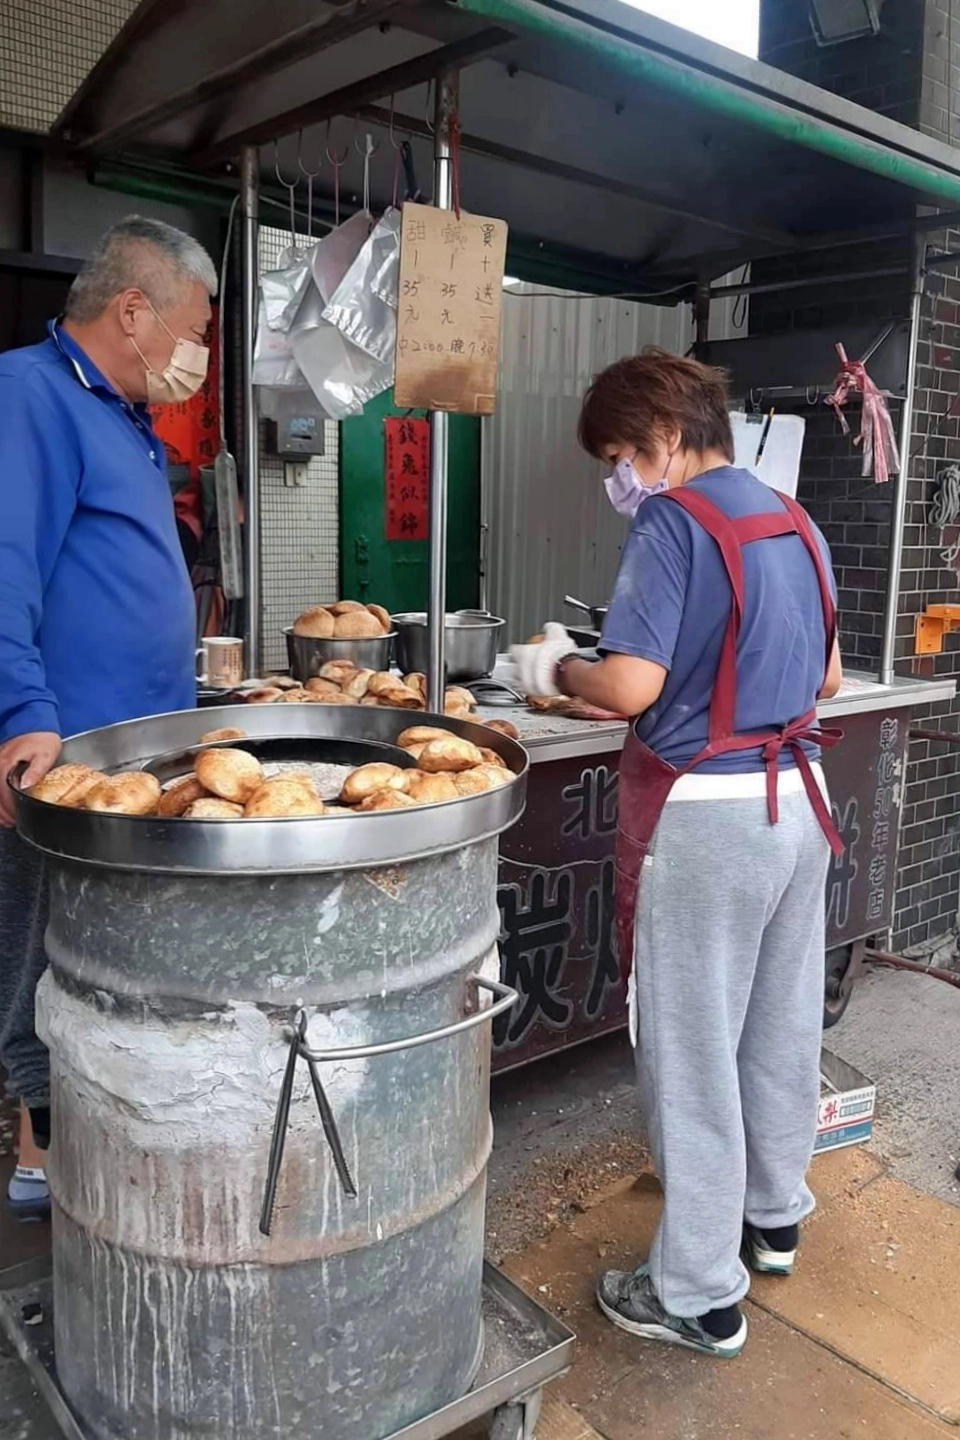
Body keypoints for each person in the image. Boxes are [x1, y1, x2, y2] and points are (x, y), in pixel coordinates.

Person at [512, 348, 843, 1360]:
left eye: (620, 456)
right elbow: (827, 681)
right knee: (779, 1026)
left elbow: (631, 687)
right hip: (801, 804)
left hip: (710, 818)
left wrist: (553, 666)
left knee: (692, 1050)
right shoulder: (795, 520)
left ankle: (697, 1294)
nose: (620, 479)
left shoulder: (673, 521)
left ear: (661, 437)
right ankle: (774, 1219)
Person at [0, 216, 217, 1215]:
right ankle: (47, 1162)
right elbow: (5, 568)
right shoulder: (30, 396)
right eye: (196, 330)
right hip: (65, 766)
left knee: (101, 961)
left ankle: (83, 1144)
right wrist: (19, 713)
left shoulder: (120, 416)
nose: (198, 355)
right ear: (134, 311)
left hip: (137, 764)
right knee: (45, 959)